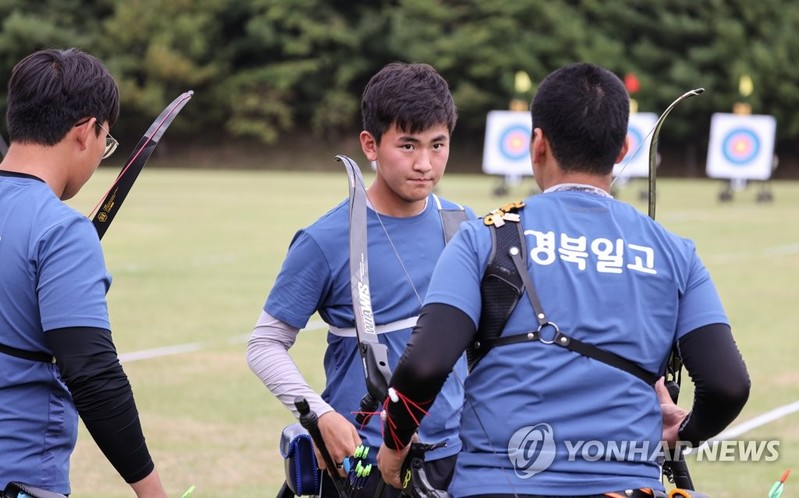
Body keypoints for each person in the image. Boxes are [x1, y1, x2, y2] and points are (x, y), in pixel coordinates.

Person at [377, 62, 751, 497]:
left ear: (537, 144)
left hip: (496, 485)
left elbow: (424, 365)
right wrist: (684, 433)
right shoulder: (676, 252)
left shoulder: (484, 235)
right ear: (622, 148)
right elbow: (728, 384)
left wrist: (394, 446)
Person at [247, 62, 475, 497]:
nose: (425, 163)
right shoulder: (325, 238)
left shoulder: (464, 227)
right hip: (361, 463)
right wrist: (319, 416)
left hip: (451, 461)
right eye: (407, 145)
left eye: (437, 145)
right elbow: (264, 345)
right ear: (370, 145)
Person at [0, 48, 167, 497]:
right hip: (18, 478)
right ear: (85, 131)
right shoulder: (61, 229)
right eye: (105, 140)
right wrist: (153, 492)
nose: (100, 156)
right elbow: (92, 373)